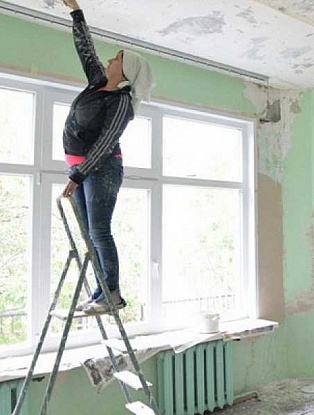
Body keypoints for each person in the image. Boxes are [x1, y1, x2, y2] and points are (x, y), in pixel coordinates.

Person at [61, 0, 155, 314]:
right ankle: (100, 291)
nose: (110, 60)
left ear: (126, 72)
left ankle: (112, 294)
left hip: (102, 169)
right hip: (81, 169)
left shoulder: (121, 102)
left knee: (99, 231)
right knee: (89, 235)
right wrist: (76, 12)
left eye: (117, 58)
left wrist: (78, 176)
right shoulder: (97, 84)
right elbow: (86, 50)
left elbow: (105, 143)